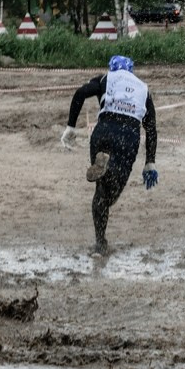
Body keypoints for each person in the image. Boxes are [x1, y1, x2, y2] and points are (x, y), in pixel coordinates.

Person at [60, 55, 158, 256]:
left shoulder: (105, 78)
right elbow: (151, 128)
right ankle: (109, 170)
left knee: (101, 192)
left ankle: (100, 243)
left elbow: (80, 93)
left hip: (103, 131)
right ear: (131, 70)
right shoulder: (143, 89)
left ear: (111, 68)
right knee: (111, 195)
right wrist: (150, 162)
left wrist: (70, 127)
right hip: (127, 135)